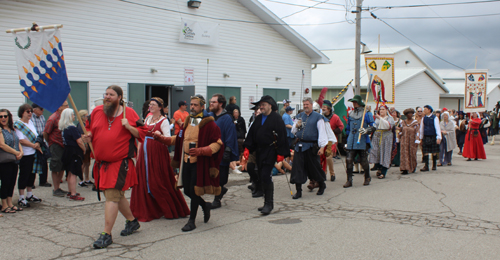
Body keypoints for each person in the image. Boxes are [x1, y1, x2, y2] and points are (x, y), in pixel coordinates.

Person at [82, 85, 147, 249]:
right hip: (101, 164)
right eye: (106, 94)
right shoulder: (97, 111)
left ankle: (106, 234)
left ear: (120, 97)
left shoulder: (129, 113)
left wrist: (129, 127)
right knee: (116, 195)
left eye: (111, 94)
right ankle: (132, 222)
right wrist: (88, 135)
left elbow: (143, 133)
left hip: (120, 164)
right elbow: (88, 127)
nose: (107, 97)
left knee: (111, 196)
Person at [130, 97, 190, 222]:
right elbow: (141, 136)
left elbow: (168, 139)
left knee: (157, 182)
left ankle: (169, 208)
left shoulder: (164, 121)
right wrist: (138, 153)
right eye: (150, 105)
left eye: (153, 105)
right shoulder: (147, 118)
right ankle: (150, 208)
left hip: (157, 153)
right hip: (145, 153)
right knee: (143, 180)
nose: (150, 107)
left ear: (160, 107)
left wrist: (158, 136)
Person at [172, 95, 224, 231]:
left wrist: (201, 151)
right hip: (186, 161)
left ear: (202, 106)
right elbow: (180, 139)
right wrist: (161, 139)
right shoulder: (187, 121)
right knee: (188, 190)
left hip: (199, 162)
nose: (192, 107)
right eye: (191, 104)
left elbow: (218, 144)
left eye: (195, 105)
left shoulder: (210, 124)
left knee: (195, 191)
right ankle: (204, 205)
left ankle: (192, 220)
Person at [243, 95, 289, 214]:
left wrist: (281, 153)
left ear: (270, 106)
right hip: (259, 151)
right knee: (260, 173)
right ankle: (264, 201)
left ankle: (269, 203)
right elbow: (252, 134)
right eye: (260, 105)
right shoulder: (258, 119)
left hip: (270, 151)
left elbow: (283, 136)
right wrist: (248, 148)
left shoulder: (277, 118)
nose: (261, 107)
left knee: (265, 175)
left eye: (263, 105)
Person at [290, 97, 328, 199]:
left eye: (307, 104)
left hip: (311, 147)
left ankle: (321, 184)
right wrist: (297, 125)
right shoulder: (300, 116)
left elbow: (322, 133)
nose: (305, 106)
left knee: (314, 168)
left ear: (311, 105)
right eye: (304, 104)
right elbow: (293, 132)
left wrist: (322, 147)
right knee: (297, 168)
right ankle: (298, 191)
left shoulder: (318, 117)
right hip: (299, 146)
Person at [208, 94, 239, 209]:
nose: (211, 104)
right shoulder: (209, 116)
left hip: (221, 152)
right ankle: (221, 190)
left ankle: (217, 199)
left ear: (220, 104)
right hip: (210, 152)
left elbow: (231, 136)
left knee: (220, 178)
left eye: (213, 102)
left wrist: (228, 151)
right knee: (211, 176)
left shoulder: (227, 118)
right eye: (210, 102)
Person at [14, 104, 43, 207]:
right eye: (27, 111)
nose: (30, 113)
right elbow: (21, 140)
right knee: (24, 175)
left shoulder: (30, 122)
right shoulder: (18, 125)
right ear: (22, 113)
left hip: (33, 153)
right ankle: (21, 197)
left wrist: (37, 144)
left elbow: (36, 135)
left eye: (31, 111)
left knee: (32, 174)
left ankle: (29, 194)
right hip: (25, 154)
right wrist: (34, 145)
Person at [343, 95, 375, 188]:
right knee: (349, 159)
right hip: (351, 139)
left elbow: (373, 126)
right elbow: (348, 128)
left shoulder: (367, 113)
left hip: (362, 139)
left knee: (363, 160)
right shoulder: (350, 113)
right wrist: (346, 140)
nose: (354, 104)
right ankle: (349, 180)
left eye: (356, 102)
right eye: (353, 102)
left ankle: (367, 177)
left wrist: (366, 130)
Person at [44, 101, 69, 197]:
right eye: (66, 105)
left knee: (62, 166)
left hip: (64, 144)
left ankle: (58, 187)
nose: (68, 106)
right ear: (59, 107)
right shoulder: (53, 118)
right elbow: (46, 132)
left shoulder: (63, 117)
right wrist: (50, 143)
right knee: (55, 165)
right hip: (56, 144)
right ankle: (55, 188)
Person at [0, 109, 23, 214]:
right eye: (1, 117)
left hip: (14, 160)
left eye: (5, 116)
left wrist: (21, 152)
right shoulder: (0, 130)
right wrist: (15, 152)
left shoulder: (12, 129)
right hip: (5, 161)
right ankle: (4, 205)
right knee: (5, 182)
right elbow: (2, 145)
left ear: (9, 117)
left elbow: (18, 142)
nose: (3, 118)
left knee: (12, 182)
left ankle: (10, 203)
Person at [59, 108, 86, 201]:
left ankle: (71, 191)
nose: (74, 116)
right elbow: (79, 141)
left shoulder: (64, 128)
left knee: (70, 172)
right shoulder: (72, 128)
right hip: (74, 152)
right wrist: (84, 149)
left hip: (67, 150)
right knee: (73, 173)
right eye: (73, 115)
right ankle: (73, 193)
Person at [369, 106, 394, 179]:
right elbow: (374, 126)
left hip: (386, 137)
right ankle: (379, 168)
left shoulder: (390, 118)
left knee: (385, 153)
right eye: (380, 109)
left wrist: (380, 118)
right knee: (377, 153)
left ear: (386, 110)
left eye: (383, 109)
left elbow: (388, 126)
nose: (381, 111)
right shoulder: (377, 118)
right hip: (377, 136)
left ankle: (383, 172)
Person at [322, 100, 343, 181]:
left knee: (328, 157)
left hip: (331, 140)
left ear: (329, 108)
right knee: (323, 157)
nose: (323, 108)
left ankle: (332, 173)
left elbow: (341, 127)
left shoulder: (335, 117)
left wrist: (332, 132)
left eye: (324, 107)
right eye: (322, 107)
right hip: (323, 140)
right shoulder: (321, 117)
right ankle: (324, 173)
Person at [30, 103, 51, 187]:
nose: (43, 111)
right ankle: (30, 183)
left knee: (44, 162)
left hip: (42, 142)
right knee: (32, 163)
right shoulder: (30, 118)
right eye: (41, 109)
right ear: (34, 109)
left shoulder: (42, 117)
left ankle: (43, 181)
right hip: (33, 143)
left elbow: (44, 129)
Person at [419, 105, 441, 171]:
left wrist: (438, 137)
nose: (424, 111)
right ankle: (426, 166)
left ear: (429, 110)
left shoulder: (435, 118)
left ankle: (434, 165)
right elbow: (421, 128)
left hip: (433, 136)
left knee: (434, 152)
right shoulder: (424, 118)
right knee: (425, 151)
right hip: (426, 136)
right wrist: (421, 138)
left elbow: (437, 128)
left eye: (425, 109)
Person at [399, 108, 419, 174]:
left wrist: (417, 140)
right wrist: (398, 137)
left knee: (412, 153)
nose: (410, 115)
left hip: (412, 141)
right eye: (408, 114)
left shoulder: (415, 123)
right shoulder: (403, 122)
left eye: (411, 114)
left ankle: (412, 167)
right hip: (404, 140)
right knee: (404, 154)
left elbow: (417, 132)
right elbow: (400, 130)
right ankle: (404, 168)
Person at [76, 110, 93, 188]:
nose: (88, 117)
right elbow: (82, 136)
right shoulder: (80, 125)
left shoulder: (86, 124)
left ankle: (87, 179)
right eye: (86, 116)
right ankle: (81, 180)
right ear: (82, 117)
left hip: (88, 146)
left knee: (87, 163)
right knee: (83, 163)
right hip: (84, 146)